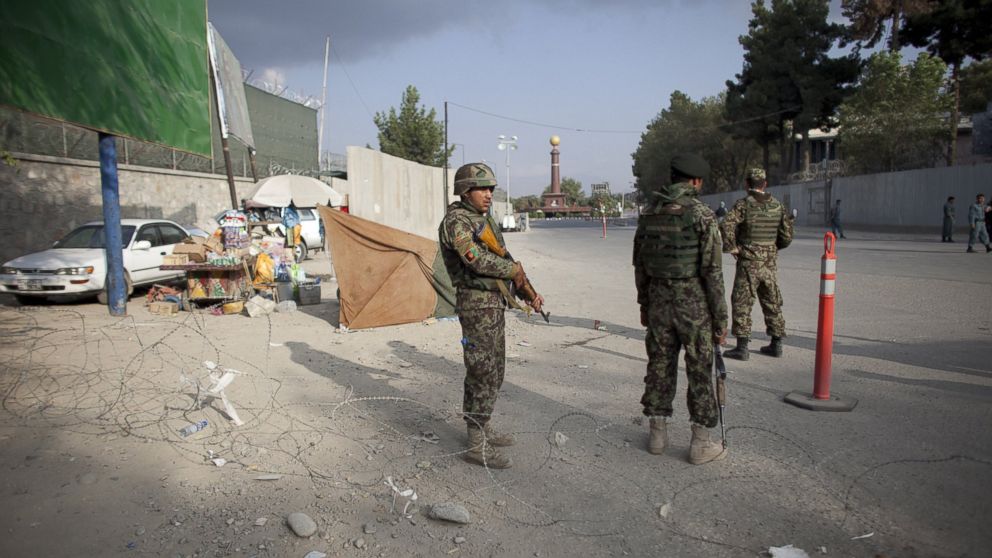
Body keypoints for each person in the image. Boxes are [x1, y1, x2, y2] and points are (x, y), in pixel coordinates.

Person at [438, 162, 544, 469]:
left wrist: (528, 292)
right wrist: (512, 270)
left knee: (495, 370)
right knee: (481, 370)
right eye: (482, 189)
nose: (488, 195)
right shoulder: (457, 221)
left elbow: (506, 261)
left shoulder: (484, 220)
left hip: (493, 303)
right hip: (475, 303)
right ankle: (475, 443)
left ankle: (482, 424)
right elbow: (474, 258)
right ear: (465, 191)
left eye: (490, 189)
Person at [633, 153, 728, 465]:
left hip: (659, 300)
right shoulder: (702, 215)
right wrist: (720, 318)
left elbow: (640, 265)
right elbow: (712, 271)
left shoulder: (650, 214)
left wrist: (645, 304)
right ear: (696, 181)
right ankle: (700, 444)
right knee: (700, 369)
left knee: (659, 364)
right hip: (694, 303)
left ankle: (657, 436)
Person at [720, 168, 795, 361]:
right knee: (772, 301)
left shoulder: (744, 205)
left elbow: (726, 224)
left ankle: (742, 347)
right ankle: (776, 344)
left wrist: (733, 247)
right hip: (769, 263)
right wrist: (772, 248)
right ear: (765, 183)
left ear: (747, 184)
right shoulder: (778, 206)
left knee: (742, 301)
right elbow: (787, 236)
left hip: (748, 262)